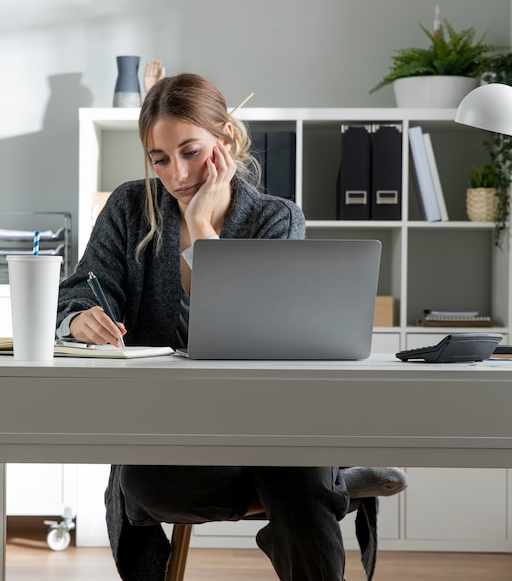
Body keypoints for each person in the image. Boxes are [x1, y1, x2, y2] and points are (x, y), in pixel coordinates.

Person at [56, 73, 406, 581]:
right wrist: (80, 317)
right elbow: (78, 290)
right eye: (160, 158)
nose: (176, 173)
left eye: (191, 151)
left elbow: (265, 333)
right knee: (145, 487)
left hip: (269, 422)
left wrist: (200, 231)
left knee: (297, 472)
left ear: (227, 140)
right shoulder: (130, 208)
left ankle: (318, 484)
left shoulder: (276, 219)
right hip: (174, 432)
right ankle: (339, 481)